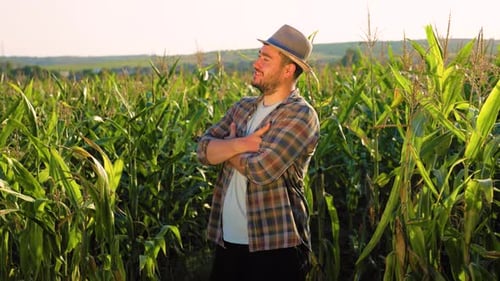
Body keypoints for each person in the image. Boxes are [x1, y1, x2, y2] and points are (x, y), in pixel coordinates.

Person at [196, 24, 320, 281]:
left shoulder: (300, 114)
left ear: (288, 70)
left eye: (266, 58)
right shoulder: (242, 108)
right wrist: (242, 145)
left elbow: (262, 170)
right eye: (259, 55)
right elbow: (203, 150)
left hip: (275, 246)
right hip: (228, 241)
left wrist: (227, 147)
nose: (256, 63)